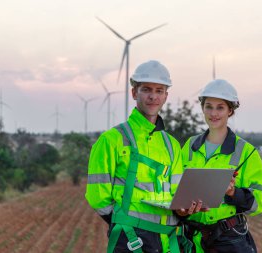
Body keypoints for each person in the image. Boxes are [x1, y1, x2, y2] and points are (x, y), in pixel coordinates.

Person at [86, 60, 201, 253]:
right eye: (146, 89)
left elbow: (176, 194)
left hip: (167, 241)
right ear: (134, 92)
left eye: (159, 90)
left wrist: (183, 210)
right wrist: (124, 224)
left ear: (166, 96)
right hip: (130, 240)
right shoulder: (111, 140)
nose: (153, 96)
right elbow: (97, 196)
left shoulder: (172, 145)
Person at [181, 79, 262, 253]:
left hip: (228, 240)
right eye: (209, 106)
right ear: (202, 108)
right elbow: (176, 186)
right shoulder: (190, 146)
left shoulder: (246, 152)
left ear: (230, 110)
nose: (213, 113)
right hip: (190, 239)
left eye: (220, 107)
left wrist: (233, 193)